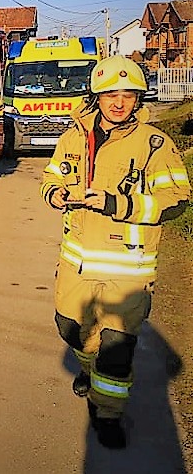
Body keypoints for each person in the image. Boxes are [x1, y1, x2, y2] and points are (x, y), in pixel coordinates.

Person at [40, 55, 189, 449]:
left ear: (138, 99)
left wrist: (116, 204)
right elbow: (50, 177)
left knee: (116, 350)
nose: (119, 102)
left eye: (128, 95)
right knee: (71, 330)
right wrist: (56, 194)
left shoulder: (155, 144)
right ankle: (88, 370)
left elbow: (176, 201)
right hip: (77, 263)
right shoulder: (74, 137)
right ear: (97, 97)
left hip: (129, 269)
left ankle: (107, 415)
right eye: (110, 94)